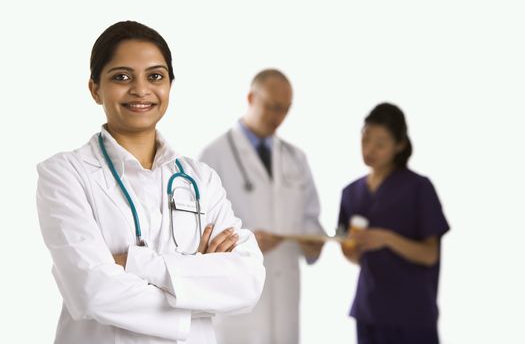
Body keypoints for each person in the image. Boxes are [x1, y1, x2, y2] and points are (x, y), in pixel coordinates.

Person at [36, 21, 265, 344]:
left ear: (170, 84)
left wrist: (133, 262)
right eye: (121, 77)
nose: (141, 89)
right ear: (95, 88)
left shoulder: (201, 179)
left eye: (155, 76)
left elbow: (247, 282)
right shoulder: (65, 174)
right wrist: (197, 287)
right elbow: (93, 291)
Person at [199, 69, 324, 344]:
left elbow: (310, 219)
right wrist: (246, 241)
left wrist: (314, 240)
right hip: (239, 299)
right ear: (251, 97)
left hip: (285, 292)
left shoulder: (296, 158)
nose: (276, 116)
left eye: (284, 109)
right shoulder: (214, 155)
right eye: (270, 106)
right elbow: (199, 234)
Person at [338, 103, 450, 344]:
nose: (369, 149)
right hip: (368, 312)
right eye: (365, 139)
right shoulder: (350, 193)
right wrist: (351, 249)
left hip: (412, 315)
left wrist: (386, 238)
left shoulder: (419, 188)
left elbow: (430, 254)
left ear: (399, 145)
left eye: (380, 143)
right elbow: (351, 254)